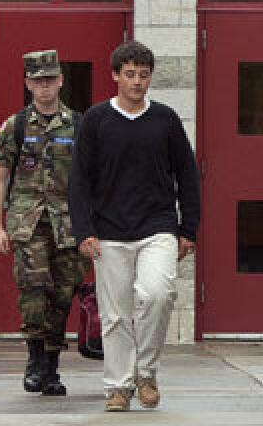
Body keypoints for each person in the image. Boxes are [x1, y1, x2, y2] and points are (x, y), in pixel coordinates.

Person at [67, 40, 201, 413]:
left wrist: (188, 229)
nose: (138, 82)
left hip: (158, 226)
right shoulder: (95, 120)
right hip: (108, 231)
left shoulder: (166, 120)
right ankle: (118, 386)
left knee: (158, 295)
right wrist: (84, 231)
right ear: (115, 76)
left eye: (144, 75)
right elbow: (79, 180)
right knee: (114, 314)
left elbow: (187, 176)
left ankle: (146, 372)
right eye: (130, 75)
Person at [0, 49, 88, 397]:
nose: (45, 87)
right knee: (33, 293)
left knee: (62, 297)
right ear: (27, 83)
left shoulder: (78, 124)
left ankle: (51, 369)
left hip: (69, 224)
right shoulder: (14, 126)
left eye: (50, 80)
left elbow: (92, 178)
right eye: (38, 81)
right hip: (28, 224)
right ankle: (34, 362)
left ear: (60, 80)